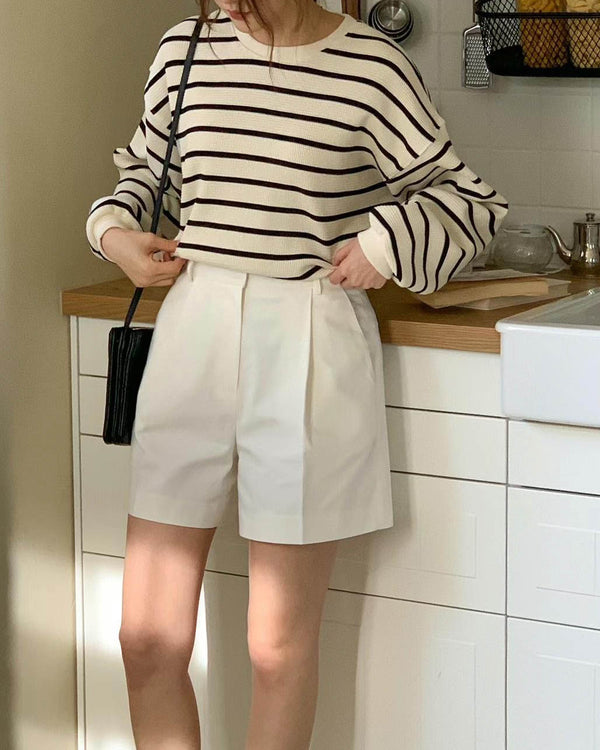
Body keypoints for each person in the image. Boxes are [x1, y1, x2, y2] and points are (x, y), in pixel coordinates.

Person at [85, 1, 509, 747]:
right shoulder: (186, 50)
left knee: (277, 648)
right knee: (146, 638)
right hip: (193, 330)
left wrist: (384, 245)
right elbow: (146, 173)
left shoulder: (371, 65)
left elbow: (467, 202)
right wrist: (112, 231)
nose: (229, 6)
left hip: (310, 334)